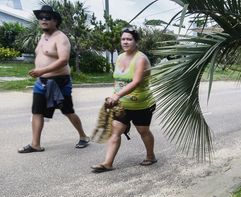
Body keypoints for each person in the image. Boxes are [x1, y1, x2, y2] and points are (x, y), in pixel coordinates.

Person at [18, 5, 90, 153]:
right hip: (41, 82)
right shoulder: (42, 38)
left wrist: (42, 70)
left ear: (55, 21)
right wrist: (40, 72)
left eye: (47, 17)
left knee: (68, 111)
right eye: (41, 17)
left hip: (59, 82)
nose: (43, 20)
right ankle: (35, 144)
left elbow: (64, 60)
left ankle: (83, 136)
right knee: (37, 111)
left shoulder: (61, 38)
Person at [91, 28, 156, 173]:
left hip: (141, 104)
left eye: (129, 39)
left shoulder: (141, 59)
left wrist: (117, 96)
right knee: (115, 132)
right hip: (122, 105)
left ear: (136, 41)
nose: (125, 42)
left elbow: (136, 82)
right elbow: (118, 81)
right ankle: (107, 163)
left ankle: (150, 156)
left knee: (143, 131)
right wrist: (113, 97)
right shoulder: (119, 57)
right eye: (123, 39)